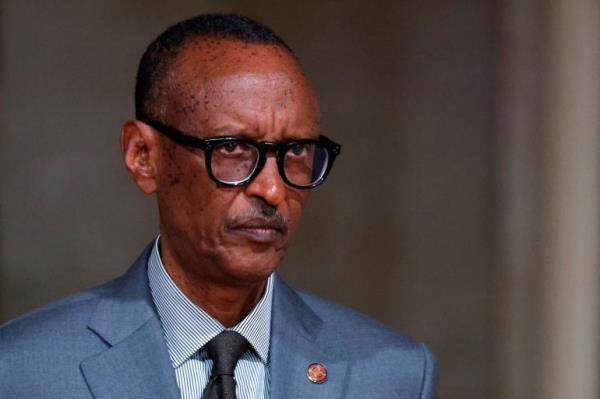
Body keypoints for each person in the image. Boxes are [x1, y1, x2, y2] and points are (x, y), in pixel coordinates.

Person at [0, 13, 438, 399]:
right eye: (232, 148)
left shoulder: (392, 375)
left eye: (298, 151)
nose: (271, 189)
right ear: (143, 156)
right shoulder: (23, 371)